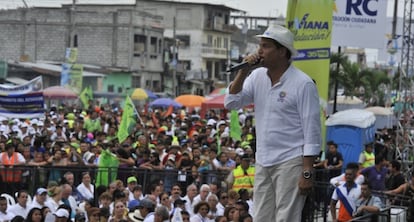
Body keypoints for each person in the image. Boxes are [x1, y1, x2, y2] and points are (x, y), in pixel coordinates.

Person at [224, 23, 321, 221]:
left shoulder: (303, 84)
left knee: (286, 217)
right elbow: (231, 102)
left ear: (282, 51)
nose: (260, 50)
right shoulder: (257, 76)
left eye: (266, 46)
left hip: (290, 161)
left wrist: (307, 173)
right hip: (263, 160)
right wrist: (244, 71)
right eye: (260, 45)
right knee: (260, 217)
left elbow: (312, 131)